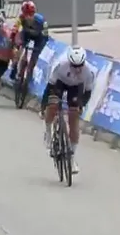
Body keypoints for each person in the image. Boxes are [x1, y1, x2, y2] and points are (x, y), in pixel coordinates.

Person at [40, 46, 95, 174]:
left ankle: (71, 158)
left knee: (74, 117)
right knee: (52, 104)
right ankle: (48, 131)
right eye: (74, 65)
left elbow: (87, 92)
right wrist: (43, 106)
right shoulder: (60, 65)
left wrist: (81, 106)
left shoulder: (89, 72)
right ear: (69, 62)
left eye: (79, 65)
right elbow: (49, 86)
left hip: (76, 88)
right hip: (59, 83)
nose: (77, 69)